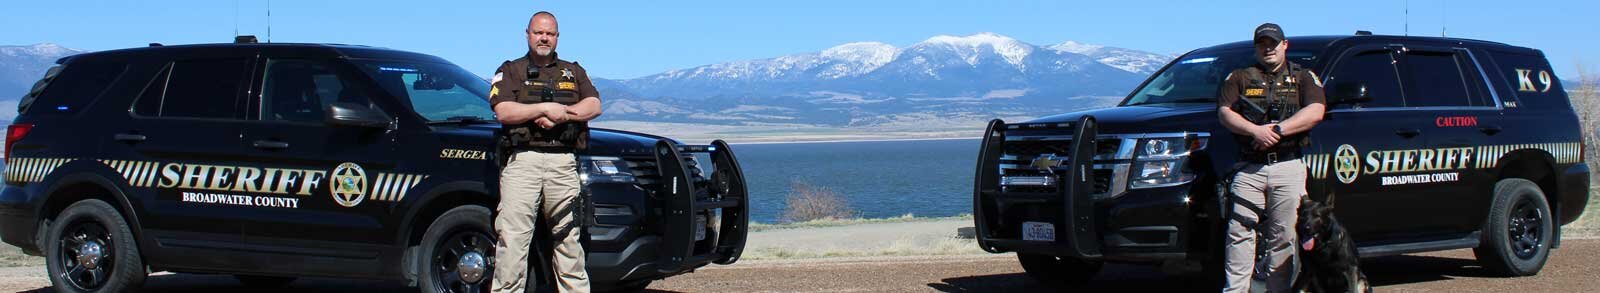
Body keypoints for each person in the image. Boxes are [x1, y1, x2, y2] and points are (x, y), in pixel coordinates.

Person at [489, 10, 602, 293]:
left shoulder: (573, 71)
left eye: (549, 34)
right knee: (513, 241)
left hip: (563, 163)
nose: (544, 38)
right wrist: (541, 109)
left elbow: (594, 105)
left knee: (569, 241)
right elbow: (503, 110)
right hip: (522, 163)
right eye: (539, 32)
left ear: (557, 37)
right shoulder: (510, 70)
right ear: (527, 34)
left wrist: (563, 114)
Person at [1216, 23, 1325, 293]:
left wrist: (1277, 130)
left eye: (1273, 43)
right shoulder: (1239, 77)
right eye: (1262, 44)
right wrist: (1254, 131)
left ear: (1285, 45)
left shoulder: (1303, 77)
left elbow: (1316, 110)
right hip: (1248, 168)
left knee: (1284, 237)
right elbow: (1224, 112)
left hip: (1288, 165)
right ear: (1255, 47)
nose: (1268, 49)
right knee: (1238, 234)